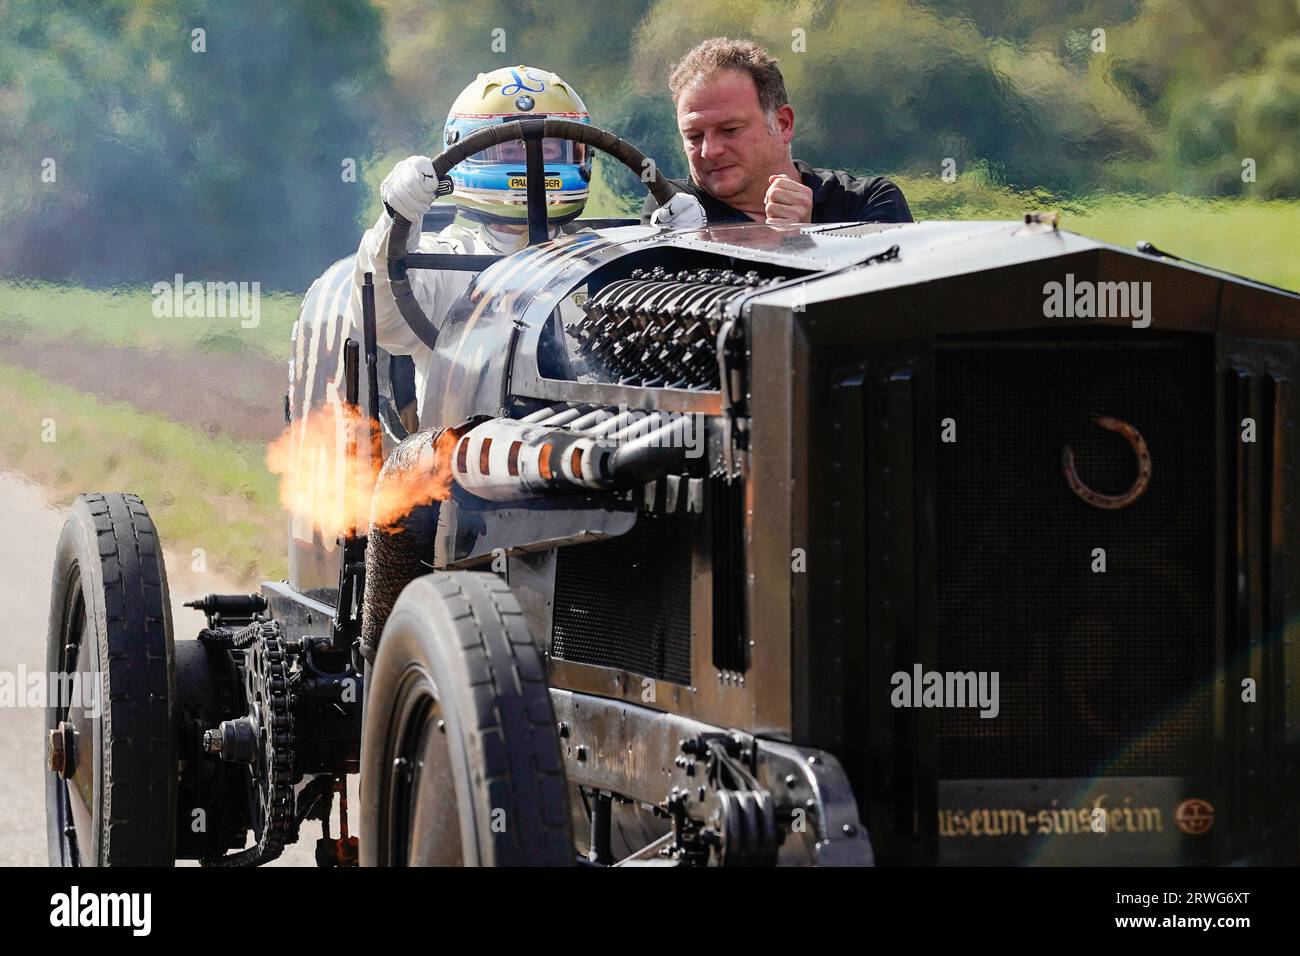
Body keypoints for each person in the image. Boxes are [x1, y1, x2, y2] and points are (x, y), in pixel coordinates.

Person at [347, 65, 594, 426]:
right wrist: (396, 219)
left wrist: (683, 246)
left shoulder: (601, 262)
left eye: (551, 149)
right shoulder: (441, 261)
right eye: (511, 151)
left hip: (593, 447)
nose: (533, 163)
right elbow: (381, 321)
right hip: (459, 464)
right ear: (469, 154)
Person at [644, 37, 913, 229]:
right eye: (694, 136)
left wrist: (806, 241)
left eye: (730, 130)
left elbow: (886, 305)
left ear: (783, 124)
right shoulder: (672, 207)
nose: (709, 150)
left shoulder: (865, 201)